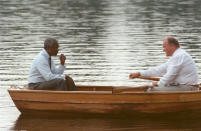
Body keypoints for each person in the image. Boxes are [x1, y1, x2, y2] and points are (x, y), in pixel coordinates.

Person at [129, 36, 200, 91]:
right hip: (183, 86)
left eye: (164, 46)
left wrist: (158, 84)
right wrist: (139, 73)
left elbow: (170, 76)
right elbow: (158, 70)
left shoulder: (179, 56)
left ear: (172, 46)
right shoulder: (177, 56)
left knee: (151, 90)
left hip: (189, 88)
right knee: (151, 88)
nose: (163, 49)